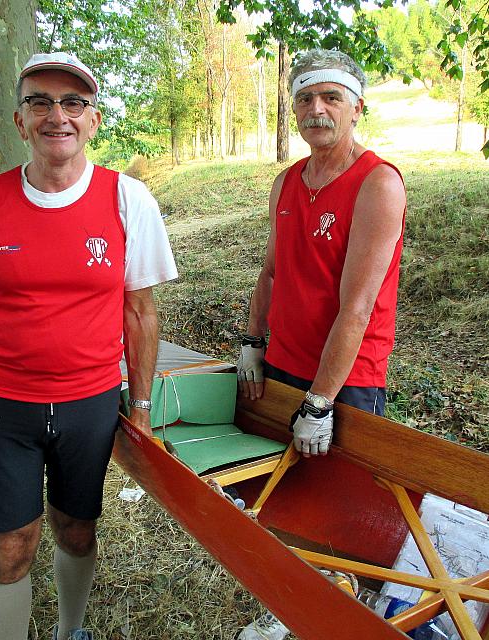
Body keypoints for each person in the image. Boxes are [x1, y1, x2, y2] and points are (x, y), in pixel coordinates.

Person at [0, 52, 177, 640]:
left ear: (93, 120)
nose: (56, 116)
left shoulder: (128, 200)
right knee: (12, 544)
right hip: (2, 404)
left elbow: (140, 310)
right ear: (19, 121)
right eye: (39, 101)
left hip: (89, 403)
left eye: (73, 103)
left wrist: (139, 408)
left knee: (77, 529)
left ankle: (72, 631)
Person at [235, 48, 406, 639]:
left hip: (345, 381)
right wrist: (253, 342)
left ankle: (348, 620)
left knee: (346, 515)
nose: (317, 109)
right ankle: (291, 611)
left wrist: (320, 401)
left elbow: (357, 305)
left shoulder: (376, 183)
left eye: (331, 97)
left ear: (357, 107)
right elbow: (271, 272)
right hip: (282, 364)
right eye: (305, 98)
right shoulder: (288, 180)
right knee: (285, 498)